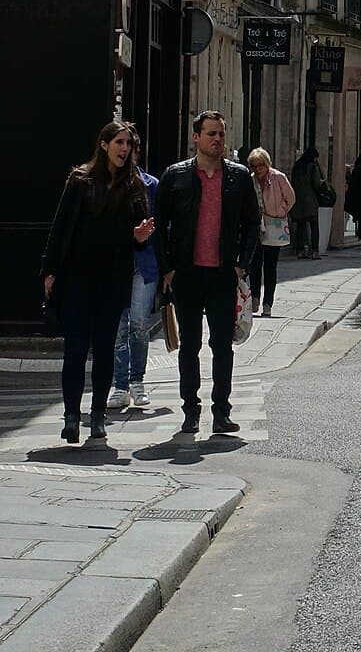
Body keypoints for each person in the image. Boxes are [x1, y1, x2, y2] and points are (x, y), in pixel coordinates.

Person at [42, 120, 152, 444]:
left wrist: (141, 238)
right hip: (77, 278)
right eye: (118, 142)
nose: (124, 149)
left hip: (113, 279)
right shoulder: (80, 181)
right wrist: (49, 271)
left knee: (104, 349)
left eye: (128, 144)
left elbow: (138, 237)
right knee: (75, 349)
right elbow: (60, 227)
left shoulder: (134, 186)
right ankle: (72, 416)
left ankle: (99, 416)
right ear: (104, 145)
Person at [154, 110, 259, 437]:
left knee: (222, 345)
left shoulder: (238, 176)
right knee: (189, 345)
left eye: (221, 134)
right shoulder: (176, 176)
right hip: (186, 273)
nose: (217, 140)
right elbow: (159, 224)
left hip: (222, 273)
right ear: (196, 138)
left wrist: (243, 262)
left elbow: (252, 223)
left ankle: (222, 411)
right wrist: (167, 268)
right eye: (211, 134)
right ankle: (190, 410)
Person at [108, 130, 159, 414]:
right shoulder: (108, 185)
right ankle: (120, 385)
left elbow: (161, 227)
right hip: (117, 264)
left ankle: (137, 381)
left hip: (143, 264)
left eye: (131, 147)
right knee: (119, 328)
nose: (126, 152)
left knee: (139, 324)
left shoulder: (151, 185)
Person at [246, 149, 295, 317]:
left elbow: (291, 198)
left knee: (270, 266)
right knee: (254, 264)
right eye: (253, 165)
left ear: (267, 164)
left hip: (273, 224)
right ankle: (255, 298)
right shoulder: (250, 180)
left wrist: (280, 212)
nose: (257, 169)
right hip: (256, 226)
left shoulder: (278, 177)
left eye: (260, 165)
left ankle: (268, 303)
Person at [289, 145, 325, 258]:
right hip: (310, 200)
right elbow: (316, 183)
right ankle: (315, 251)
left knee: (300, 225)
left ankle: (300, 250)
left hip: (298, 200)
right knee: (314, 226)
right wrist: (323, 183)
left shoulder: (297, 167)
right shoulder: (312, 167)